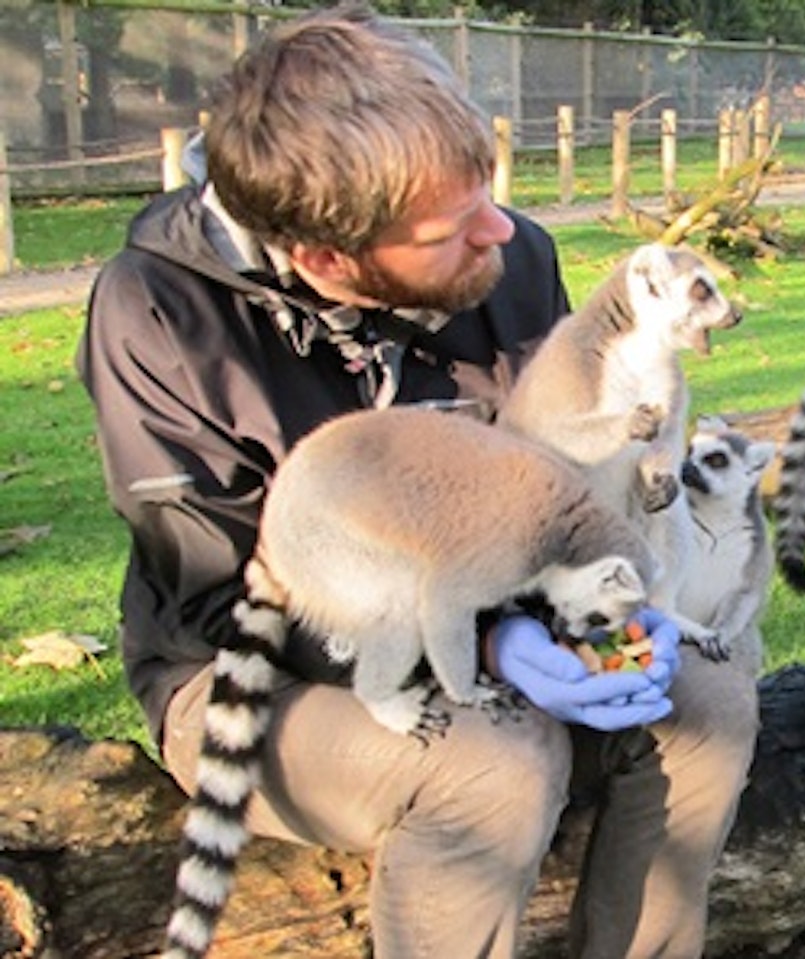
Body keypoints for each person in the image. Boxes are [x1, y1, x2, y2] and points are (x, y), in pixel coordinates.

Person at [75, 6, 758, 958]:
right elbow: (219, 595)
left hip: (478, 600)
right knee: (493, 762)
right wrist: (487, 646)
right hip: (257, 664)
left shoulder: (511, 262)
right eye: (452, 226)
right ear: (324, 258)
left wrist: (601, 606)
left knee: (711, 700)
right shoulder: (161, 313)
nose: (499, 231)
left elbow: (555, 489)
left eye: (488, 192)